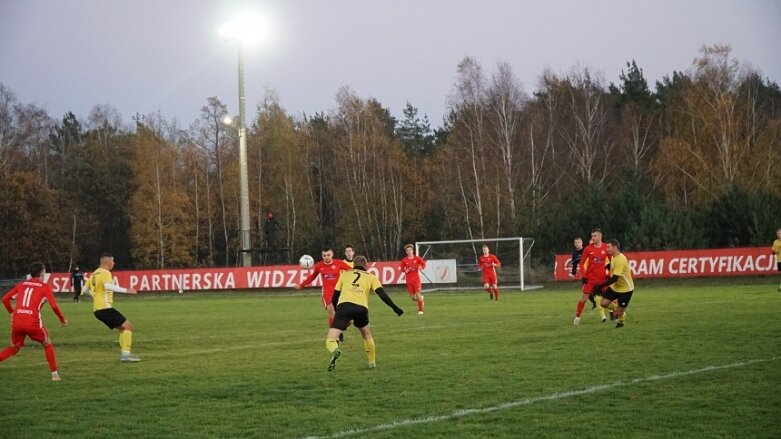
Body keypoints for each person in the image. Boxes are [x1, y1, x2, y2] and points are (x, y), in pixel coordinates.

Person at [325, 255, 404, 371]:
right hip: (361, 308)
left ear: (353, 265)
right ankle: (372, 363)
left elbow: (334, 297)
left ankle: (335, 350)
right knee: (367, 334)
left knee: (331, 339)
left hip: (344, 306)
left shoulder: (345, 275)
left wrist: (338, 313)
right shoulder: (371, 277)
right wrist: (395, 308)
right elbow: (382, 295)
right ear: (366, 265)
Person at [0, 262, 68, 381]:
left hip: (17, 320)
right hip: (32, 321)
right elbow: (54, 306)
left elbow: (5, 299)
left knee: (14, 347)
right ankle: (55, 375)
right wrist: (62, 319)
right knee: (47, 343)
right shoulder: (44, 287)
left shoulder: (21, 284)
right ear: (42, 273)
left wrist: (12, 312)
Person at [87, 253, 141, 362]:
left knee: (122, 328)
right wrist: (126, 290)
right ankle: (126, 355)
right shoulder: (105, 272)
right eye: (113, 261)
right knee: (128, 326)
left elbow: (84, 290)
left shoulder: (94, 274)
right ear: (107, 262)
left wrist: (95, 296)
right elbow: (108, 286)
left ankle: (125, 354)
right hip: (105, 308)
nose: (114, 263)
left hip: (97, 310)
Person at [294, 247, 352, 336]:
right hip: (327, 294)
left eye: (328, 255)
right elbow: (312, 277)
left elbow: (351, 271)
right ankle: (336, 335)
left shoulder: (339, 263)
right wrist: (301, 285)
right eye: (324, 255)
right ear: (322, 255)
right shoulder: (319, 265)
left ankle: (340, 328)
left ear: (332, 254)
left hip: (339, 293)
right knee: (332, 313)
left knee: (349, 320)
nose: (326, 257)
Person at [595, 239, 634, 328]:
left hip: (625, 289)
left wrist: (600, 286)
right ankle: (619, 311)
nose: (606, 249)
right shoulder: (613, 256)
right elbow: (611, 267)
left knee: (619, 314)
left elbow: (615, 278)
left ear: (615, 247)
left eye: (608, 247)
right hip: (615, 287)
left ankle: (621, 320)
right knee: (603, 303)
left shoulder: (621, 259)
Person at [574, 229, 610, 325]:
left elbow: (611, 262)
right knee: (584, 299)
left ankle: (614, 314)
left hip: (602, 279)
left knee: (611, 297)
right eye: (592, 236)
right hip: (590, 279)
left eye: (594, 236)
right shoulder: (588, 249)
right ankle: (577, 317)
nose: (592, 238)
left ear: (600, 236)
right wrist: (584, 276)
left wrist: (609, 273)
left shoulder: (606, 247)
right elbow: (581, 264)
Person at [399, 244, 427, 314]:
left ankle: (420, 310)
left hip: (416, 280)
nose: (409, 251)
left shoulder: (417, 258)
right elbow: (402, 268)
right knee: (413, 298)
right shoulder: (404, 260)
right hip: (409, 281)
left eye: (410, 250)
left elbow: (423, 264)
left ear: (412, 251)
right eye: (407, 250)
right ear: (406, 252)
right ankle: (421, 299)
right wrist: (405, 270)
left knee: (418, 295)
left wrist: (421, 267)